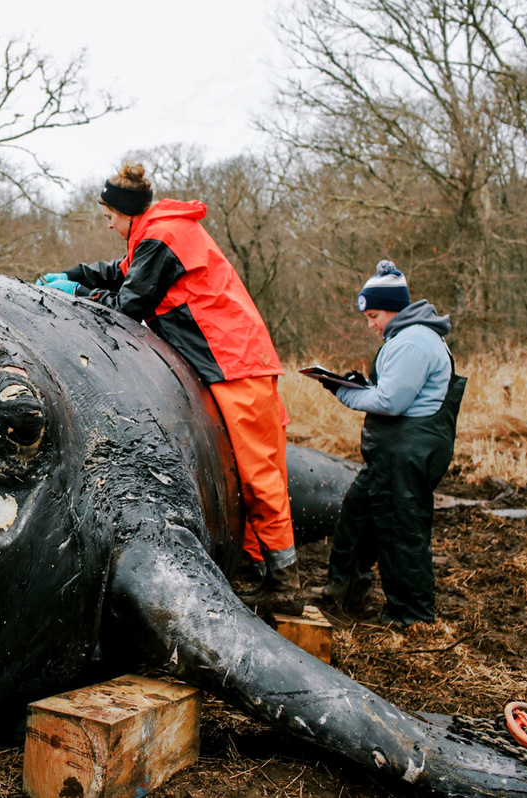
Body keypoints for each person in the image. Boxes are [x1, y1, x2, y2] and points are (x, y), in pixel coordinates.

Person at [38, 163, 298, 612]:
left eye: (108, 216)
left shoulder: (162, 236)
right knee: (243, 469)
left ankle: (286, 583)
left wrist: (75, 294)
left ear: (124, 211)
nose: (107, 224)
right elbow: (120, 272)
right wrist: (73, 274)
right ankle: (258, 570)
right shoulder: (156, 234)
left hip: (234, 361)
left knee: (258, 474)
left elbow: (128, 304)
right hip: (230, 360)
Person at [318, 260, 466, 630]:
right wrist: (359, 384)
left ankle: (410, 617)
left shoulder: (413, 342)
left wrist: (343, 391)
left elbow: (390, 403)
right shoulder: (410, 338)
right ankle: (344, 588)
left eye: (374, 315)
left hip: (407, 454)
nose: (371, 325)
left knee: (402, 531)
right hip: (393, 454)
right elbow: (393, 393)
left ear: (395, 308)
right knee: (357, 516)